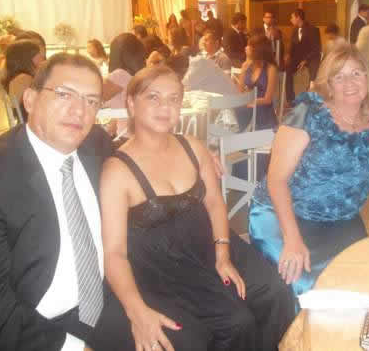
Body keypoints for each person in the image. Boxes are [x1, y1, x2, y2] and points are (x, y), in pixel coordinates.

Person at [91, 65, 295, 351]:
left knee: (275, 291)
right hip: (166, 263)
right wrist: (135, 310)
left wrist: (222, 254)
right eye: (153, 97)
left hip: (212, 239)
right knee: (237, 323)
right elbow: (114, 252)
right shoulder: (117, 171)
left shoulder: (192, 146)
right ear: (131, 104)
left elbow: (214, 202)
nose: (165, 107)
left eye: (174, 98)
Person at [248, 43, 369, 297]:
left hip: (341, 221)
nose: (349, 82)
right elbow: (276, 180)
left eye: (356, 73)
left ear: (368, 77)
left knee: (364, 282)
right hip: (282, 215)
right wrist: (292, 240)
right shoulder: (308, 114)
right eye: (339, 76)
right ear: (328, 84)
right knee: (305, 283)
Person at [0, 53, 114, 350]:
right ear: (30, 100)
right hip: (31, 328)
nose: (79, 111)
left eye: (91, 101)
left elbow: (133, 163)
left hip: (104, 305)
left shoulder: (96, 144)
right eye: (64, 94)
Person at [103, 33, 146, 139]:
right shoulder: (137, 75)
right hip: (134, 132)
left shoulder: (119, 75)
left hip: (123, 134)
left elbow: (94, 97)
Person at [235, 34, 279, 130]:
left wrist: (252, 102)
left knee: (243, 110)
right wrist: (244, 67)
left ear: (257, 50)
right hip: (248, 104)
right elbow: (240, 91)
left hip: (262, 106)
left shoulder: (270, 68)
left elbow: (268, 99)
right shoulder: (246, 65)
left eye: (249, 46)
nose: (246, 48)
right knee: (233, 110)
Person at [285, 9, 321, 103]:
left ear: (298, 18)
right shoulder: (294, 30)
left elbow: (316, 49)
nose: (290, 20)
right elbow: (292, 46)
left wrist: (305, 60)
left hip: (310, 57)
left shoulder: (313, 29)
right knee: (287, 68)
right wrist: (288, 54)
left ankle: (311, 91)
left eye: (292, 17)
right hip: (297, 58)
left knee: (315, 64)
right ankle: (290, 99)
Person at [3, 39, 43, 118]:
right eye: (38, 53)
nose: (42, 56)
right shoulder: (24, 79)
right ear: (27, 57)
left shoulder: (19, 77)